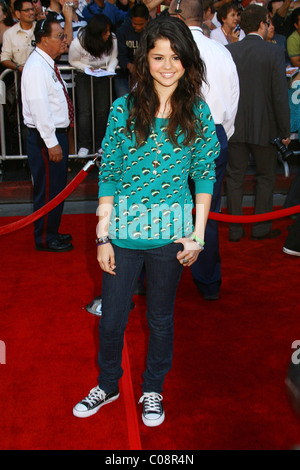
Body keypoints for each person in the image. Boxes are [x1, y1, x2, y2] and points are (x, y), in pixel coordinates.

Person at [73, 15, 220, 427]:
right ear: (145, 59)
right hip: (121, 235)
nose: (168, 65)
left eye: (176, 57)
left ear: (188, 61)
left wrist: (197, 235)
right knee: (112, 320)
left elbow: (204, 174)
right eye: (158, 57)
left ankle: (153, 389)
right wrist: (102, 236)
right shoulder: (123, 109)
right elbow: (111, 175)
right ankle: (109, 383)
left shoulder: (197, 112)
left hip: (171, 238)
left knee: (160, 319)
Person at [169, 0, 239, 301]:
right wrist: (221, 134)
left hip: (174, 134)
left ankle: (155, 278)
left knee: (165, 205)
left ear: (178, 15)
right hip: (215, 133)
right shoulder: (222, 52)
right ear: (205, 16)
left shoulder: (170, 48)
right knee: (207, 210)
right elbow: (233, 100)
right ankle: (208, 282)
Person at [226, 4, 291, 241]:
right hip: (266, 127)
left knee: (234, 178)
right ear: (263, 23)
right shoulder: (273, 52)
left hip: (235, 126)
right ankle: (261, 228)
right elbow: (279, 95)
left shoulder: (229, 50)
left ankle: (234, 229)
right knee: (265, 177)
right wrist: (285, 129)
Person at [21, 18, 74, 251]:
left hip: (54, 136)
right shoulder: (36, 67)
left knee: (56, 188)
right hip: (46, 138)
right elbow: (39, 108)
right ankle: (44, 237)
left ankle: (52, 231)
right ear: (44, 40)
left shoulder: (46, 63)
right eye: (59, 36)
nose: (64, 40)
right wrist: (52, 143)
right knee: (48, 189)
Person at [69, 14, 118, 157]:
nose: (108, 35)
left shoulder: (113, 39)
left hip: (103, 76)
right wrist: (85, 67)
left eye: (109, 31)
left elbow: (114, 58)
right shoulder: (78, 42)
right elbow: (73, 61)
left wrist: (110, 69)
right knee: (85, 112)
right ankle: (84, 144)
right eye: (105, 32)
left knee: (102, 111)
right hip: (84, 76)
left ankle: (100, 144)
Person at [114, 2, 149, 97]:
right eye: (134, 23)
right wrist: (130, 66)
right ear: (130, 19)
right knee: (124, 104)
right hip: (123, 75)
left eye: (141, 24)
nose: (137, 27)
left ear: (147, 20)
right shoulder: (122, 30)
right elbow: (121, 54)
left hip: (146, 74)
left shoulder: (153, 31)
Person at [1, 0, 35, 73]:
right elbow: (4, 59)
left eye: (32, 9)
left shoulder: (42, 29)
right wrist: (18, 67)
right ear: (18, 14)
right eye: (26, 10)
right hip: (21, 77)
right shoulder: (9, 34)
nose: (31, 12)